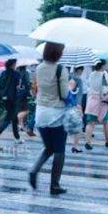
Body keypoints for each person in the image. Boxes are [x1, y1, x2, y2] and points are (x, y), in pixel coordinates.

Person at [28, 42, 69, 195]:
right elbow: (64, 94)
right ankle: (55, 185)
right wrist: (70, 87)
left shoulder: (39, 68)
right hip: (56, 114)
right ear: (57, 53)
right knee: (59, 150)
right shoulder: (61, 69)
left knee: (49, 147)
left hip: (41, 113)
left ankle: (34, 169)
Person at [84, 60, 108, 150]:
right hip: (102, 100)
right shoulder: (104, 73)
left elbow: (88, 85)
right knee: (106, 122)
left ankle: (88, 142)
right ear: (102, 66)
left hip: (92, 100)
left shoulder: (92, 74)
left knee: (91, 123)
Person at [0, 59, 24, 144]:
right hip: (13, 98)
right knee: (8, 118)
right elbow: (17, 86)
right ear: (13, 64)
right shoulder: (16, 73)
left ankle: (17, 137)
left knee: (14, 118)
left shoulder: (3, 73)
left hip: (4, 98)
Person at [69, 66, 85, 153]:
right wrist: (79, 106)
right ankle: (75, 146)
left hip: (64, 105)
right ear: (79, 70)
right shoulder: (78, 79)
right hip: (74, 105)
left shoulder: (67, 76)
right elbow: (79, 94)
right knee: (77, 126)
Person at [17, 65, 32, 131]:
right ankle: (18, 116)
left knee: (21, 110)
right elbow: (27, 84)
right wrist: (30, 92)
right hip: (24, 94)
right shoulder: (26, 73)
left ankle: (20, 126)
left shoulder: (17, 72)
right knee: (26, 110)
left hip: (17, 93)